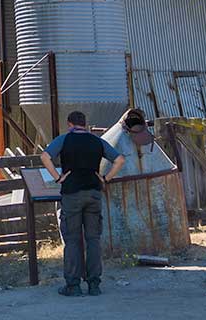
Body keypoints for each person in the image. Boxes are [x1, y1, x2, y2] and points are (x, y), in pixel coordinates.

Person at [41, 109, 126, 297]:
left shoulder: (64, 139)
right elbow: (120, 160)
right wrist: (106, 178)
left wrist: (58, 178)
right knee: (93, 239)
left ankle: (73, 285)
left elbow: (44, 156)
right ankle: (94, 284)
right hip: (94, 193)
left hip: (72, 193)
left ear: (69, 125)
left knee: (72, 240)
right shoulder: (97, 141)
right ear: (85, 124)